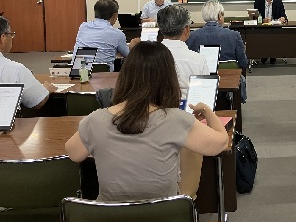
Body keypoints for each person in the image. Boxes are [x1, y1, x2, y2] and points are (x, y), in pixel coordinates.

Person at [65, 41, 228, 202]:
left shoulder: (95, 120)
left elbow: (74, 153)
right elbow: (221, 142)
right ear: (169, 79)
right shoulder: (177, 119)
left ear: (125, 76)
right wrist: (206, 110)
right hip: (165, 215)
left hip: (110, 216)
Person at [186, 0, 249, 101]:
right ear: (220, 15)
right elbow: (243, 62)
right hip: (229, 78)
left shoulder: (192, 36)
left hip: (200, 78)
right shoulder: (234, 35)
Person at [0, 16, 56, 109]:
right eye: (10, 34)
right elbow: (38, 101)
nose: (12, 37)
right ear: (3, 38)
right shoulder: (15, 70)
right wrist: (46, 90)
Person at [73, 0, 140, 72]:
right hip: (103, 75)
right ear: (114, 15)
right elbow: (129, 56)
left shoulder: (83, 27)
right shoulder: (117, 34)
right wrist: (133, 46)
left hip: (79, 72)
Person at [157, 4, 209, 92]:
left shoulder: (148, 58)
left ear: (160, 29)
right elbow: (204, 92)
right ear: (186, 30)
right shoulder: (198, 61)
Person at [254, 0, 287, 64]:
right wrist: (262, 20)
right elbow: (255, 17)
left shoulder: (278, 2)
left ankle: (273, 55)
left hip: (275, 27)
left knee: (274, 34)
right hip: (262, 27)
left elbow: (284, 16)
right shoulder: (258, 2)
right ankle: (264, 55)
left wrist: (283, 19)